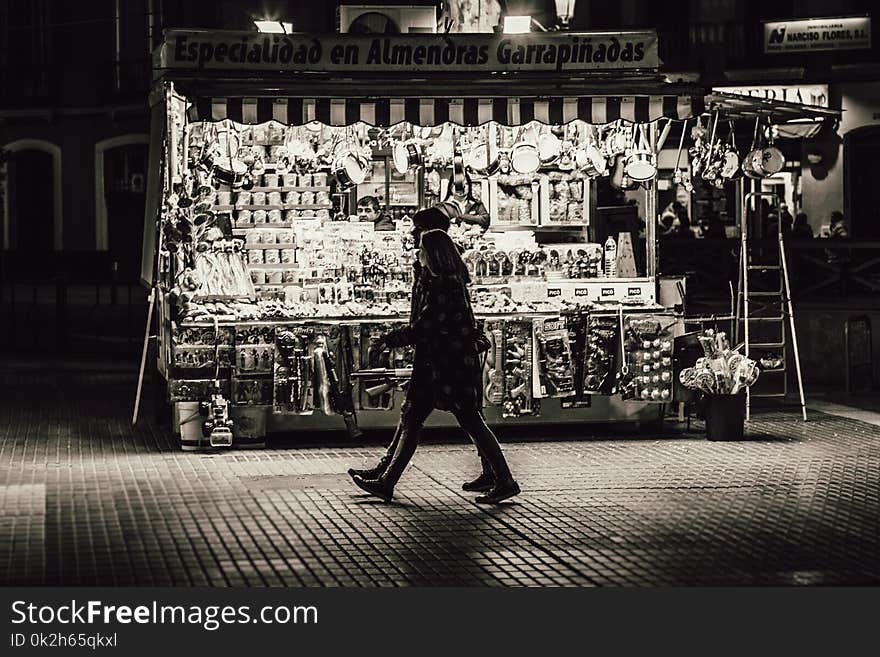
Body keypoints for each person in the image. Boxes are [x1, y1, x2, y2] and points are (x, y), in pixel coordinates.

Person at [347, 207, 519, 504]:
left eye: (419, 238)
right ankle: (386, 475)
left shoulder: (442, 286)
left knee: (453, 420)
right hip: (444, 362)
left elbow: (425, 326)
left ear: (431, 251)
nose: (414, 240)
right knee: (417, 417)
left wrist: (388, 341)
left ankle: (503, 478)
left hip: (444, 364)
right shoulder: (441, 279)